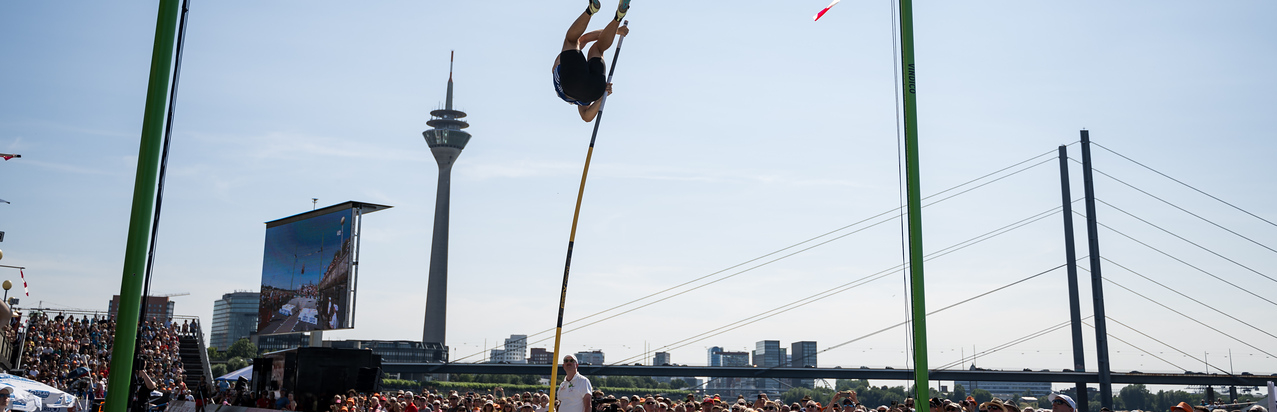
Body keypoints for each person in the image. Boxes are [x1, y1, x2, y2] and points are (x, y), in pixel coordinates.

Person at [553, 0, 632, 122]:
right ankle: (594, 11)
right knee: (573, 41)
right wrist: (615, 31)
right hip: (572, 83)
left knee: (598, 50)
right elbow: (584, 39)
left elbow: (586, 117)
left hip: (595, 90)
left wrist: (603, 96)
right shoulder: (560, 61)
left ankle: (618, 17)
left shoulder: (581, 99)